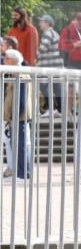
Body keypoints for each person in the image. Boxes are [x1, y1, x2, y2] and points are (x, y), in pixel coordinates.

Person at [3, 50, 32, 181]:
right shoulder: (17, 73)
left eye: (6, 58)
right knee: (18, 144)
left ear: (12, 60)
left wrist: (13, 117)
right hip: (17, 117)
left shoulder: (20, 74)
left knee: (21, 146)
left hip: (19, 117)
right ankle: (22, 173)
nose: (3, 61)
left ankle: (22, 174)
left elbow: (21, 101)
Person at [36, 14, 63, 115]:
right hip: (56, 65)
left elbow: (42, 49)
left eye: (41, 22)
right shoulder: (54, 33)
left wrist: (35, 55)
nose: (39, 24)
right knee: (57, 88)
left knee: (43, 86)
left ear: (47, 23)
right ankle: (60, 110)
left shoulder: (48, 33)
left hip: (48, 66)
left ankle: (50, 108)